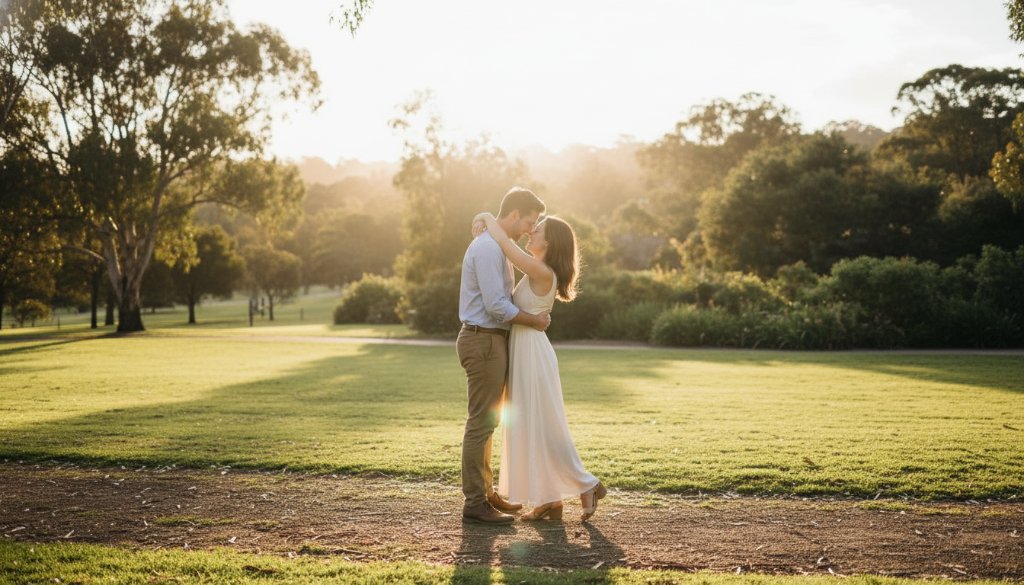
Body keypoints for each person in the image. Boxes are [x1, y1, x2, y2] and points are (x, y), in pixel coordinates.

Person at [472, 210, 607, 522]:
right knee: (530, 425)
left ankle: (587, 484)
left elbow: (508, 247)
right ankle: (550, 499)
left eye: (538, 229)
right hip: (525, 351)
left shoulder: (542, 271)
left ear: (550, 242)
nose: (531, 232)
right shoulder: (540, 269)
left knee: (543, 426)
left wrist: (487, 217)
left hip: (532, 354)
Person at [457, 187, 552, 524]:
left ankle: (487, 494)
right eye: (530, 220)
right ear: (514, 214)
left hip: (492, 341)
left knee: (489, 421)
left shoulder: (496, 246)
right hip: (483, 340)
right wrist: (536, 321)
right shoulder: (486, 248)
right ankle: (475, 503)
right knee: (481, 421)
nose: (531, 228)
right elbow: (497, 306)